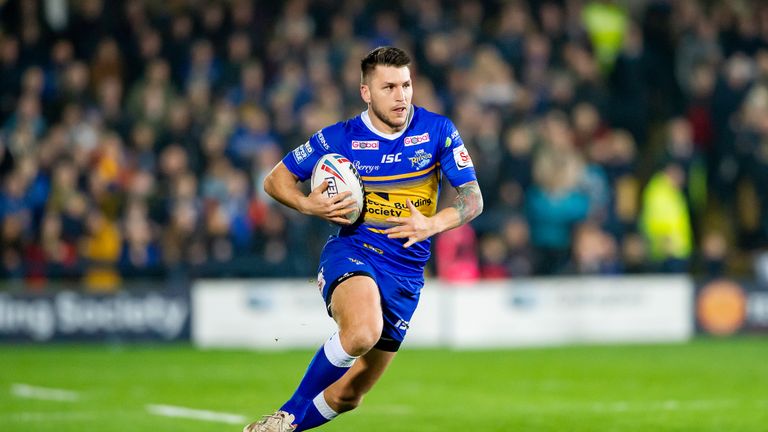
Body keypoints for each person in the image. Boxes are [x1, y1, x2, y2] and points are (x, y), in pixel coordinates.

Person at [244, 46, 483, 432]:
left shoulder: (438, 130)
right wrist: (309, 205)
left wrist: (433, 224)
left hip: (406, 274)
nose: (401, 96)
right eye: (389, 87)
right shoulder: (340, 137)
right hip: (355, 251)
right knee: (362, 331)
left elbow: (473, 198)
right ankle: (288, 412)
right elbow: (275, 179)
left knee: (348, 395)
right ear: (366, 92)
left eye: (406, 85)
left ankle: (275, 430)